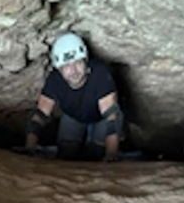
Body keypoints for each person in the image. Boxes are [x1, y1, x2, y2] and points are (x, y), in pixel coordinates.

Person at [24, 32, 124, 161]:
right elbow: (40, 114)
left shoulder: (99, 74)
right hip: (73, 115)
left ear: (85, 61)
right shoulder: (55, 80)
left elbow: (111, 116)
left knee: (96, 153)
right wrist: (30, 147)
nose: (73, 71)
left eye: (77, 63)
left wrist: (111, 154)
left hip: (100, 117)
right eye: (66, 66)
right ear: (59, 70)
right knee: (66, 153)